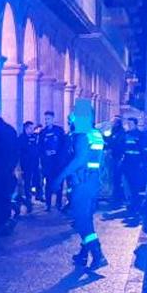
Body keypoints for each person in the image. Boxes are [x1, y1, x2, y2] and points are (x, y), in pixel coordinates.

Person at [55, 99, 107, 270]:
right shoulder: (95, 133)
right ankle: (83, 255)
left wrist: (59, 178)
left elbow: (79, 159)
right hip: (93, 181)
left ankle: (98, 255)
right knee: (86, 217)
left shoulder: (82, 135)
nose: (71, 116)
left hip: (82, 182)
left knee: (81, 220)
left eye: (74, 113)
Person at [121, 115, 147, 218]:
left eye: (130, 123)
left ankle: (136, 206)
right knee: (128, 186)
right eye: (128, 123)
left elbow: (144, 151)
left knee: (135, 186)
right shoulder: (126, 134)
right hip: (127, 163)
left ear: (135, 124)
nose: (128, 125)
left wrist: (142, 163)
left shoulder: (140, 135)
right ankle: (132, 204)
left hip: (136, 164)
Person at [38, 111, 66, 211]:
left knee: (59, 181)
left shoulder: (59, 131)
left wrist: (57, 152)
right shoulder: (42, 133)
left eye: (48, 119)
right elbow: (40, 147)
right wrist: (45, 153)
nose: (46, 121)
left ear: (53, 119)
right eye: (45, 119)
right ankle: (48, 203)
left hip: (58, 162)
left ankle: (58, 203)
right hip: (47, 163)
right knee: (48, 183)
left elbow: (64, 145)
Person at [18, 120, 42, 214]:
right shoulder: (21, 138)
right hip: (26, 164)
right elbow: (20, 151)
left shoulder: (35, 137)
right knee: (27, 181)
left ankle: (38, 195)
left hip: (35, 163)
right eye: (30, 128)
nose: (32, 130)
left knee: (37, 178)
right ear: (26, 128)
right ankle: (28, 198)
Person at [105, 115, 127, 208]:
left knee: (116, 178)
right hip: (113, 157)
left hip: (118, 158)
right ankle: (114, 196)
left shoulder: (121, 132)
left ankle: (117, 198)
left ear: (117, 123)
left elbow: (118, 144)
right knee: (113, 178)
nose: (112, 123)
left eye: (113, 122)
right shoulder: (113, 131)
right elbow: (109, 141)